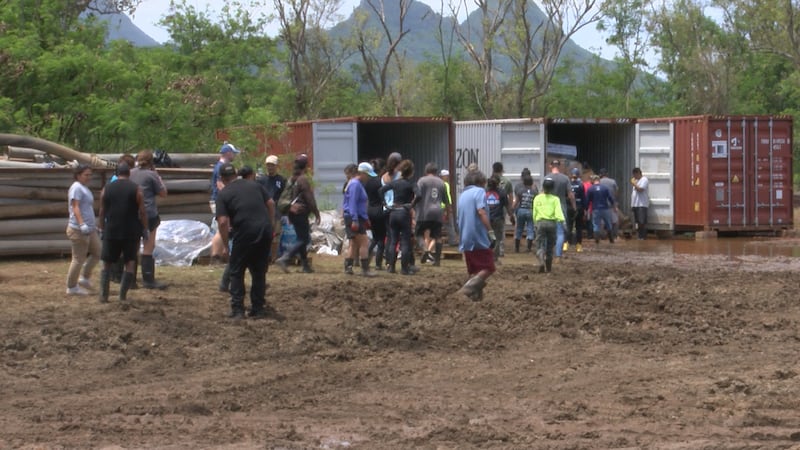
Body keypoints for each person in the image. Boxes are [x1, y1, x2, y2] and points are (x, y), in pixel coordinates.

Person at [215, 163, 279, 319]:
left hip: (244, 231)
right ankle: (258, 308)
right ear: (236, 174)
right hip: (264, 229)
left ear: (222, 179)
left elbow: (223, 222)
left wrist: (225, 246)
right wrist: (269, 225)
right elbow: (270, 203)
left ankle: (238, 310)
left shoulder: (223, 194)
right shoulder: (254, 185)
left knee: (237, 271)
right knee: (258, 271)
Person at [97, 163, 147, 303]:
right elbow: (142, 211)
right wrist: (145, 228)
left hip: (111, 229)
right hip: (131, 231)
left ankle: (103, 295)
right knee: (130, 262)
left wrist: (102, 228)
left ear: (116, 173)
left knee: (107, 262)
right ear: (129, 173)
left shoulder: (106, 189)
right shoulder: (136, 189)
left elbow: (102, 211)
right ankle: (122, 296)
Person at [130, 149, 168, 290]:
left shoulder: (131, 173)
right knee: (148, 245)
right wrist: (158, 176)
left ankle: (131, 279)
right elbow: (163, 193)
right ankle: (148, 279)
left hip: (132, 214)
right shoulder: (152, 175)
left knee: (133, 246)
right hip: (149, 213)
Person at [275, 154, 321, 274]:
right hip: (300, 212)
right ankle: (285, 258)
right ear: (306, 165)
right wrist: (316, 213)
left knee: (301, 238)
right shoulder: (302, 179)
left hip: (292, 212)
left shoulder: (293, 178)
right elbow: (309, 198)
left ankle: (305, 265)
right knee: (304, 239)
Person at [456, 170, 495, 301]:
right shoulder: (479, 192)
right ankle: (465, 291)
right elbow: (481, 211)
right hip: (477, 236)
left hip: (465, 237)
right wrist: (490, 231)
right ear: (480, 182)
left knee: (475, 270)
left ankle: (476, 299)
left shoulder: (463, 195)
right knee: (489, 267)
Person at [65, 164, 101, 295]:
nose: (89, 177)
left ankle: (84, 278)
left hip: (90, 229)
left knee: (98, 252)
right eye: (86, 175)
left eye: (90, 175)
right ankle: (71, 286)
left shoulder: (84, 187)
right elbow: (76, 207)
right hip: (78, 230)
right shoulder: (76, 188)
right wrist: (82, 224)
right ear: (78, 175)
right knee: (78, 258)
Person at [379, 159, 419, 275]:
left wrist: (385, 204)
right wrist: (412, 204)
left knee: (393, 240)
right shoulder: (411, 184)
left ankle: (391, 267)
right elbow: (419, 195)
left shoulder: (395, 183)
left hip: (393, 212)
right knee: (405, 241)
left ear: (401, 171)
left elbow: (381, 190)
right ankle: (404, 268)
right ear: (411, 172)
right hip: (404, 212)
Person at [343, 162, 376, 277]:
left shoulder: (356, 184)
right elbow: (352, 203)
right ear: (362, 173)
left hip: (355, 216)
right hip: (354, 217)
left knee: (353, 243)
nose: (368, 178)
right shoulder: (355, 185)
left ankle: (348, 267)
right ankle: (365, 269)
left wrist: (365, 218)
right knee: (364, 242)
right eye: (367, 175)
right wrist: (355, 219)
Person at [210, 142, 240, 264]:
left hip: (220, 200)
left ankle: (220, 256)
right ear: (228, 153)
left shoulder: (221, 166)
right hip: (220, 201)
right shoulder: (220, 168)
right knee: (220, 228)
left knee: (225, 228)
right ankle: (215, 257)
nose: (235, 156)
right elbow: (220, 185)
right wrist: (232, 196)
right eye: (234, 153)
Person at [416, 162, 450, 266]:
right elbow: (447, 201)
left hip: (424, 212)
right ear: (436, 171)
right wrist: (448, 213)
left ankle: (425, 249)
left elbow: (417, 195)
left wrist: (412, 207)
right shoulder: (441, 183)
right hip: (438, 212)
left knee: (418, 234)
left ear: (426, 171)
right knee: (437, 236)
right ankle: (437, 261)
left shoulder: (422, 181)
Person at [533, 177, 566, 273]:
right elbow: (558, 212)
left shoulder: (537, 198)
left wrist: (535, 222)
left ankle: (541, 261)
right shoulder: (555, 199)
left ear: (543, 187)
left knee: (540, 244)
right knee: (550, 246)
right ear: (552, 188)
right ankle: (549, 268)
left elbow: (534, 212)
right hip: (552, 224)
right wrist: (562, 222)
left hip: (540, 223)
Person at [548, 159, 575, 261]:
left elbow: (542, 194)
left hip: (549, 208)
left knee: (549, 232)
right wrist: (574, 207)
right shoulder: (565, 179)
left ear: (551, 166)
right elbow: (571, 195)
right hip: (561, 207)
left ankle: (548, 253)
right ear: (559, 166)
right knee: (560, 232)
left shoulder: (547, 178)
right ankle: (558, 255)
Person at [485, 175, 514, 264]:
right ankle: (494, 258)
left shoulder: (484, 192)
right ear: (498, 184)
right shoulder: (502, 192)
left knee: (486, 238)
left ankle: (486, 257)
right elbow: (507, 205)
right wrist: (511, 216)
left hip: (487, 219)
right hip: (498, 219)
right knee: (498, 239)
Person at [365, 158, 388, 271]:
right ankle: (378, 264)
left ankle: (366, 259)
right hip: (379, 210)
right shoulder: (380, 182)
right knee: (381, 239)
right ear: (382, 169)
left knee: (374, 237)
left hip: (370, 210)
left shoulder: (367, 182)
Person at [491, 162, 514, 257]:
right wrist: (510, 209)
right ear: (502, 170)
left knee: (490, 229)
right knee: (501, 228)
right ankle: (500, 250)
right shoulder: (507, 181)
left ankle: (491, 248)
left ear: (493, 169)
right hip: (502, 207)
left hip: (491, 206)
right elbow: (510, 196)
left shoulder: (490, 180)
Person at [586, 174, 616, 244]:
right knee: (608, 224)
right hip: (605, 208)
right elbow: (610, 198)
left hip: (596, 209)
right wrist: (614, 206)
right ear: (599, 180)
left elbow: (587, 200)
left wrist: (586, 209)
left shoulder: (590, 189)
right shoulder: (605, 188)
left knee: (596, 225)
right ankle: (611, 240)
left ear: (593, 181)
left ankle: (597, 241)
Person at [512, 174, 537, 253]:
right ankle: (528, 248)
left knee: (519, 229)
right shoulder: (535, 192)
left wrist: (511, 210)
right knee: (530, 229)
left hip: (521, 210)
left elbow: (516, 202)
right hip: (530, 210)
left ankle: (517, 248)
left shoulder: (520, 191)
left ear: (524, 183)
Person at [566, 167, 587, 253]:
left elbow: (566, 196)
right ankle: (578, 245)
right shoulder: (581, 185)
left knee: (569, 226)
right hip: (579, 208)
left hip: (569, 208)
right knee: (578, 227)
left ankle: (566, 244)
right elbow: (583, 198)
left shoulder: (568, 184)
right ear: (578, 175)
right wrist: (585, 209)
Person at [598, 168, 619, 240]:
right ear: (607, 174)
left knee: (602, 222)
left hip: (601, 205)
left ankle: (602, 237)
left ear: (600, 174)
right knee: (615, 221)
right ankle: (615, 236)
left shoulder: (599, 182)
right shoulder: (613, 181)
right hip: (611, 204)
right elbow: (616, 192)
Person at [439, 169, 458, 246]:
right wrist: (449, 209)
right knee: (450, 224)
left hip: (439, 208)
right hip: (444, 208)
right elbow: (448, 198)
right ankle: (453, 241)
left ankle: (436, 242)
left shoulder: (440, 184)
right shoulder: (445, 185)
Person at [630, 167, 650, 240]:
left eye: (635, 175)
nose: (634, 177)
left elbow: (640, 189)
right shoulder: (636, 180)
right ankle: (639, 236)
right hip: (635, 204)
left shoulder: (644, 180)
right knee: (637, 221)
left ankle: (643, 236)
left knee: (642, 221)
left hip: (642, 204)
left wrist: (634, 184)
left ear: (638, 173)